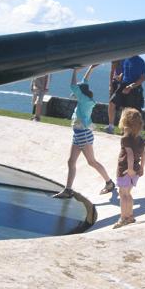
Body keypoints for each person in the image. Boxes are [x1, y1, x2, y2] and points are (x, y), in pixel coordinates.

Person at [53, 65, 115, 198]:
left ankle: (109, 183)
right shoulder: (84, 96)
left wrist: (74, 71)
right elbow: (84, 82)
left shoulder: (85, 101)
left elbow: (73, 86)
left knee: (91, 161)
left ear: (81, 93)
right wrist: (91, 68)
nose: (74, 94)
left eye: (77, 93)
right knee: (71, 162)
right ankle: (68, 190)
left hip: (83, 135)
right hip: (78, 134)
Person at [113, 108, 145, 229]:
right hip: (136, 170)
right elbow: (143, 154)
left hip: (126, 170)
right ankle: (130, 216)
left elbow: (130, 154)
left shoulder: (125, 138)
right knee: (128, 193)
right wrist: (141, 167)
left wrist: (130, 169)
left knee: (123, 194)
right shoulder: (140, 139)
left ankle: (123, 218)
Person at [104, 60, 123, 134]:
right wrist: (110, 85)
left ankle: (123, 128)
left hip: (125, 83)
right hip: (116, 83)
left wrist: (122, 75)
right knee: (111, 103)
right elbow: (112, 70)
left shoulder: (129, 56)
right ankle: (111, 126)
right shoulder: (117, 57)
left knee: (124, 106)